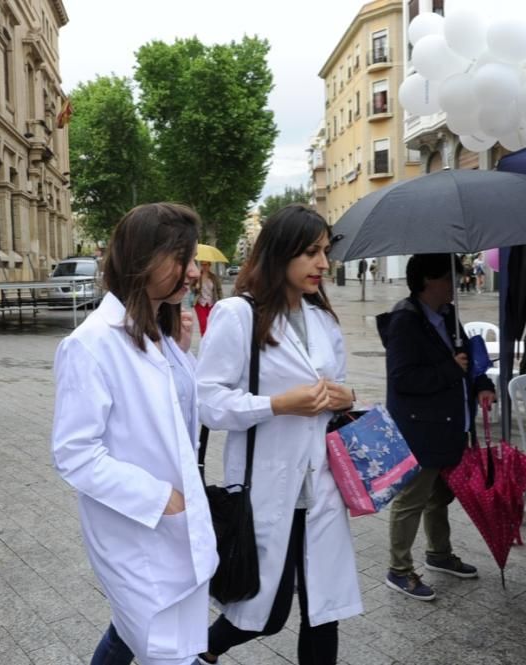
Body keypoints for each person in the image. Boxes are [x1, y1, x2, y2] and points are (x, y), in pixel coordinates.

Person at [196, 204, 362, 665]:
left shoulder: (323, 319)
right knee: (263, 612)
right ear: (280, 252)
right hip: (268, 489)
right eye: (311, 253)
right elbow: (207, 402)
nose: (323, 264)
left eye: (325, 252)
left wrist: (345, 395)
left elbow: (339, 389)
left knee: (323, 611)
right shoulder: (238, 315)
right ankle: (198, 650)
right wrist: (275, 404)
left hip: (322, 486)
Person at [51, 202, 216, 665]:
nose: (193, 272)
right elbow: (75, 453)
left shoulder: (159, 334)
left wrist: (179, 360)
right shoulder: (90, 344)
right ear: (144, 260)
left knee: (137, 634)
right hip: (137, 528)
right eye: (183, 259)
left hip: (174, 524)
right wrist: (161, 498)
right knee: (164, 647)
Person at [376, 253, 495, 602]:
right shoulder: (405, 321)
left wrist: (482, 383)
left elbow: (467, 359)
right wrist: (449, 369)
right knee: (413, 498)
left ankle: (439, 554)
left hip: (451, 424)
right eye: (450, 279)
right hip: (421, 427)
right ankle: (398, 570)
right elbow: (402, 379)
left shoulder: (447, 315)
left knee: (440, 495)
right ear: (430, 280)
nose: (456, 286)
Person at [192, 261, 222, 337]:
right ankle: (204, 340)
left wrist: (221, 301)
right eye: (202, 264)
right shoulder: (198, 276)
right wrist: (195, 287)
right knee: (203, 324)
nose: (204, 266)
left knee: (212, 323)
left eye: (205, 265)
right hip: (200, 303)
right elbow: (191, 287)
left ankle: (211, 339)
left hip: (211, 303)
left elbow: (219, 289)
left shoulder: (214, 277)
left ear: (209, 265)